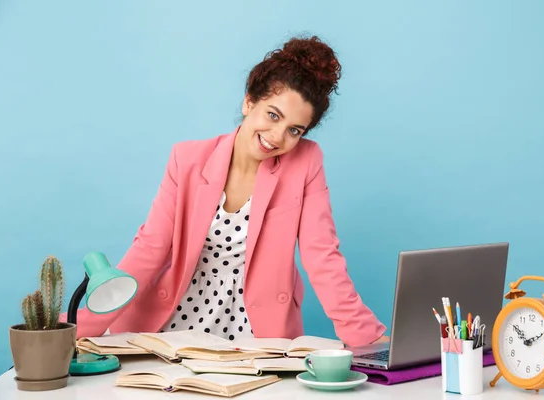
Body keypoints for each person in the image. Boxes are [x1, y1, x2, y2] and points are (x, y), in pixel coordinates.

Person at [65, 35, 388, 348]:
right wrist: (76, 327)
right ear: (249, 102)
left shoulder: (306, 161)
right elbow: (150, 248)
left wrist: (367, 338)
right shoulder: (187, 158)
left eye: (294, 130)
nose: (277, 136)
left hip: (257, 333)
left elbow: (322, 257)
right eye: (272, 115)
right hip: (171, 328)